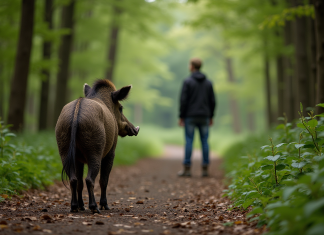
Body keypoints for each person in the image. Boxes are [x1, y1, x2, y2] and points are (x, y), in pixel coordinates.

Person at [178, 58, 216, 177]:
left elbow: (183, 100)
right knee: (205, 141)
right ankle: (205, 169)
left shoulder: (187, 81)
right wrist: (211, 116)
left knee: (189, 141)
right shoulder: (208, 83)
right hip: (204, 115)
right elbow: (213, 101)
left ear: (192, 67)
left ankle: (187, 169)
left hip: (190, 116)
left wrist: (181, 116)